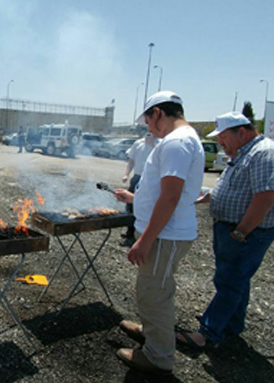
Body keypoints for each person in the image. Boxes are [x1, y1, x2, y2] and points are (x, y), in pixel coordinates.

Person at [113, 91, 204, 374]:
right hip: (166, 234)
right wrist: (134, 199)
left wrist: (144, 240)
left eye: (148, 122)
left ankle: (158, 356)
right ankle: (151, 331)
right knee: (152, 289)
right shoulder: (183, 139)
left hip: (166, 236)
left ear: (158, 113)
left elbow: (170, 197)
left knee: (155, 293)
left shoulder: (177, 142)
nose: (148, 128)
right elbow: (164, 192)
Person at [175, 111, 274, 350]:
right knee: (235, 279)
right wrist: (207, 197)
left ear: (242, 132)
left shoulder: (265, 153)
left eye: (223, 137)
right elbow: (235, 188)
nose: (220, 142)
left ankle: (208, 333)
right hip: (231, 229)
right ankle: (232, 323)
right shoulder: (243, 152)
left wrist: (242, 231)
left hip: (247, 233)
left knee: (230, 281)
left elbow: (265, 196)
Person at [121, 133, 157, 246]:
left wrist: (153, 145)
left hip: (150, 179)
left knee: (144, 206)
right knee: (130, 206)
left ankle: (142, 234)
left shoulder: (160, 144)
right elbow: (131, 160)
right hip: (137, 177)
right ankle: (130, 233)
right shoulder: (138, 143)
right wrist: (126, 174)